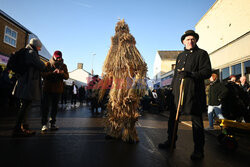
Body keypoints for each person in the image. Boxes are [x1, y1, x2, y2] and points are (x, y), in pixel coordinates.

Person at [158, 30, 212, 160]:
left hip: (193, 93)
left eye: (192, 39)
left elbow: (207, 72)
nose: (190, 41)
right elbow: (176, 75)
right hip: (178, 92)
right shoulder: (180, 56)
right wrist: (171, 90)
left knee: (197, 122)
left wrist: (191, 74)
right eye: (188, 39)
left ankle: (198, 150)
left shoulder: (202, 54)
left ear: (196, 41)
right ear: (183, 41)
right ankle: (171, 141)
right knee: (173, 119)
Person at [12, 38, 45, 137]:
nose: (40, 49)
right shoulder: (31, 53)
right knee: (25, 106)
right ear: (35, 45)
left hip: (24, 82)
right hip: (28, 83)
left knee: (24, 106)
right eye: (39, 47)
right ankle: (18, 128)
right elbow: (41, 65)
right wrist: (42, 63)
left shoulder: (26, 51)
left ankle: (24, 127)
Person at [41, 50, 69, 132]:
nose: (58, 59)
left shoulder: (64, 66)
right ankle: (44, 124)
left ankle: (52, 124)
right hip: (47, 89)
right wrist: (51, 73)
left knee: (54, 108)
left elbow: (67, 77)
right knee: (45, 107)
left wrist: (61, 72)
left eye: (60, 58)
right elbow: (42, 74)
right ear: (53, 56)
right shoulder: (47, 64)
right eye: (57, 57)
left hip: (58, 89)